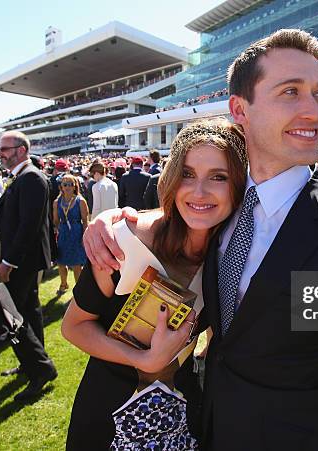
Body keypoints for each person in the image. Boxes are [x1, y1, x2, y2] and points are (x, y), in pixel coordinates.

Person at [84, 29, 318, 451]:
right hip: (210, 427)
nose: (313, 112)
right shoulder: (220, 210)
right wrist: (110, 220)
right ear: (240, 108)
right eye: (290, 92)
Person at [61, 118, 248, 450]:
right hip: (107, 414)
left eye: (218, 177)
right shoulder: (122, 240)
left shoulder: (232, 254)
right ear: (172, 178)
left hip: (184, 417)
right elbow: (74, 326)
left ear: (237, 186)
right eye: (188, 174)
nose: (199, 192)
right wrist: (143, 360)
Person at [0, 131, 58, 400]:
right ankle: (33, 362)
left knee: (13, 316)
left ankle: (40, 369)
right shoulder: (24, 177)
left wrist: (9, 262)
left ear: (21, 150)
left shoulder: (31, 177)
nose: (0, 154)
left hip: (21, 262)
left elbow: (28, 226)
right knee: (29, 314)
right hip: (23, 260)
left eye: (4, 149)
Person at [53, 174, 89, 295]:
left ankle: (78, 289)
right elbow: (55, 221)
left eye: (70, 184)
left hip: (77, 233)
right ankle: (63, 284)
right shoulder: (57, 202)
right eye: (65, 184)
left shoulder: (80, 201)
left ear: (75, 186)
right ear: (61, 187)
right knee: (61, 262)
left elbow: (85, 221)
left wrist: (84, 237)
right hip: (63, 234)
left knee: (76, 264)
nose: (67, 187)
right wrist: (59, 231)